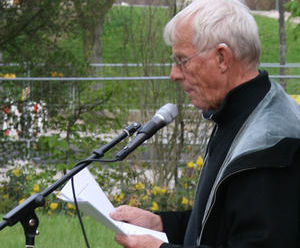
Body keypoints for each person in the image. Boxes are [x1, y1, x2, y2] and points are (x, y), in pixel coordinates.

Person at [110, 0, 300, 247]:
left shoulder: (272, 143)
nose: (173, 74)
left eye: (182, 60)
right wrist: (161, 225)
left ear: (222, 58)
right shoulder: (242, 114)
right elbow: (220, 225)